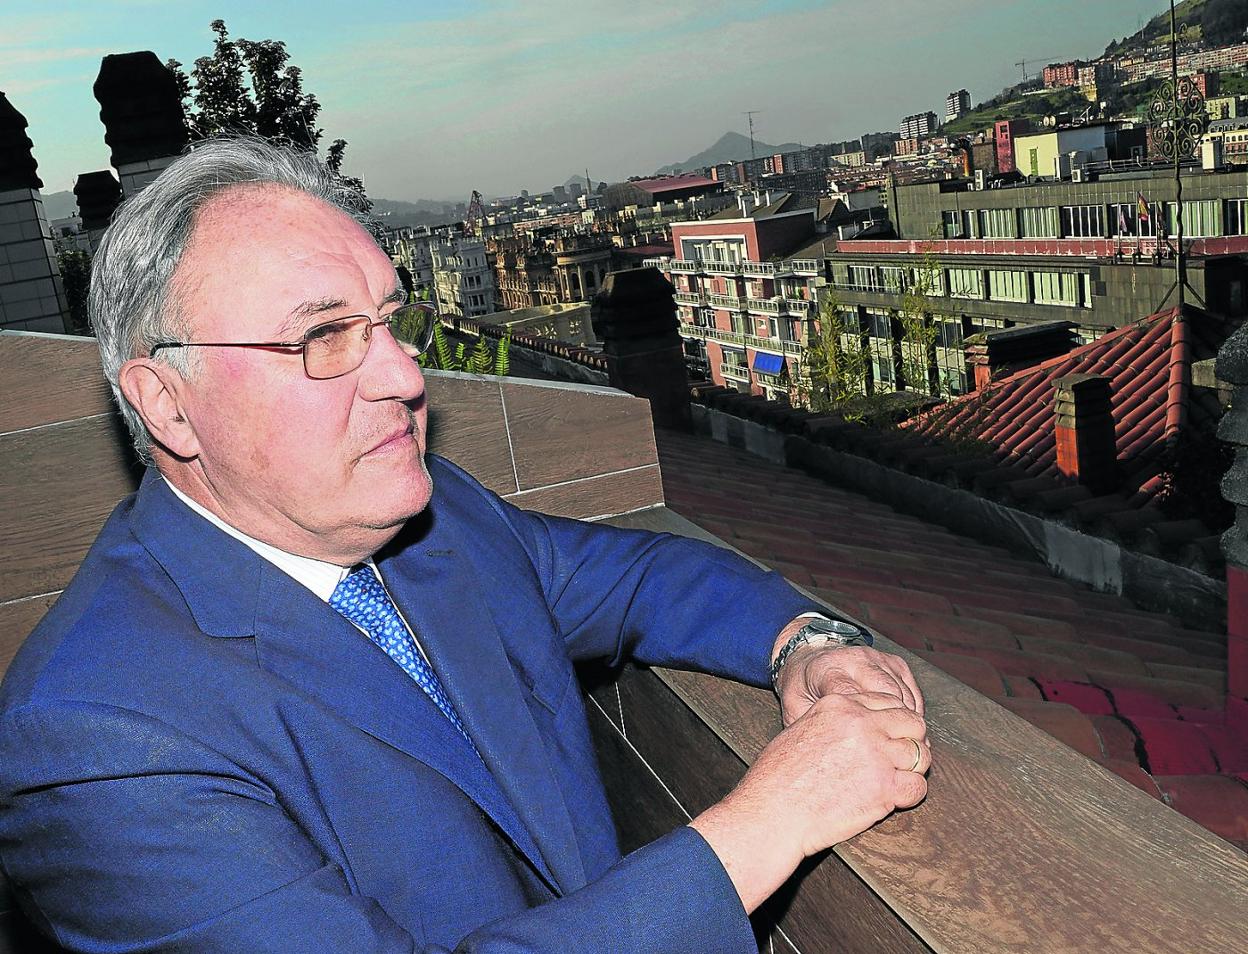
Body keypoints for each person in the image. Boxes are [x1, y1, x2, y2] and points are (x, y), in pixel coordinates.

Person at [0, 138, 929, 953]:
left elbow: (638, 575)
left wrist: (804, 642)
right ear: (168, 403)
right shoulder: (93, 739)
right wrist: (777, 817)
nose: (406, 374)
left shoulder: (434, 519)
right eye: (324, 337)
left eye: (390, 322)